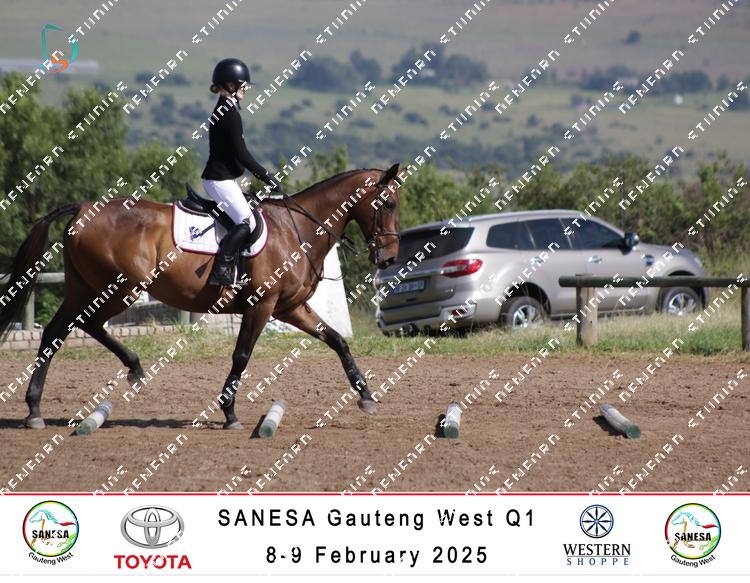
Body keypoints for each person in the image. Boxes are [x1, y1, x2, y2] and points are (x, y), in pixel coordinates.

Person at [201, 57, 284, 286]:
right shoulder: (228, 113)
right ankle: (221, 271)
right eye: (242, 85)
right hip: (219, 180)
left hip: (223, 179)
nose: (245, 89)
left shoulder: (226, 109)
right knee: (246, 221)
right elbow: (242, 153)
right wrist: (265, 175)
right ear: (230, 85)